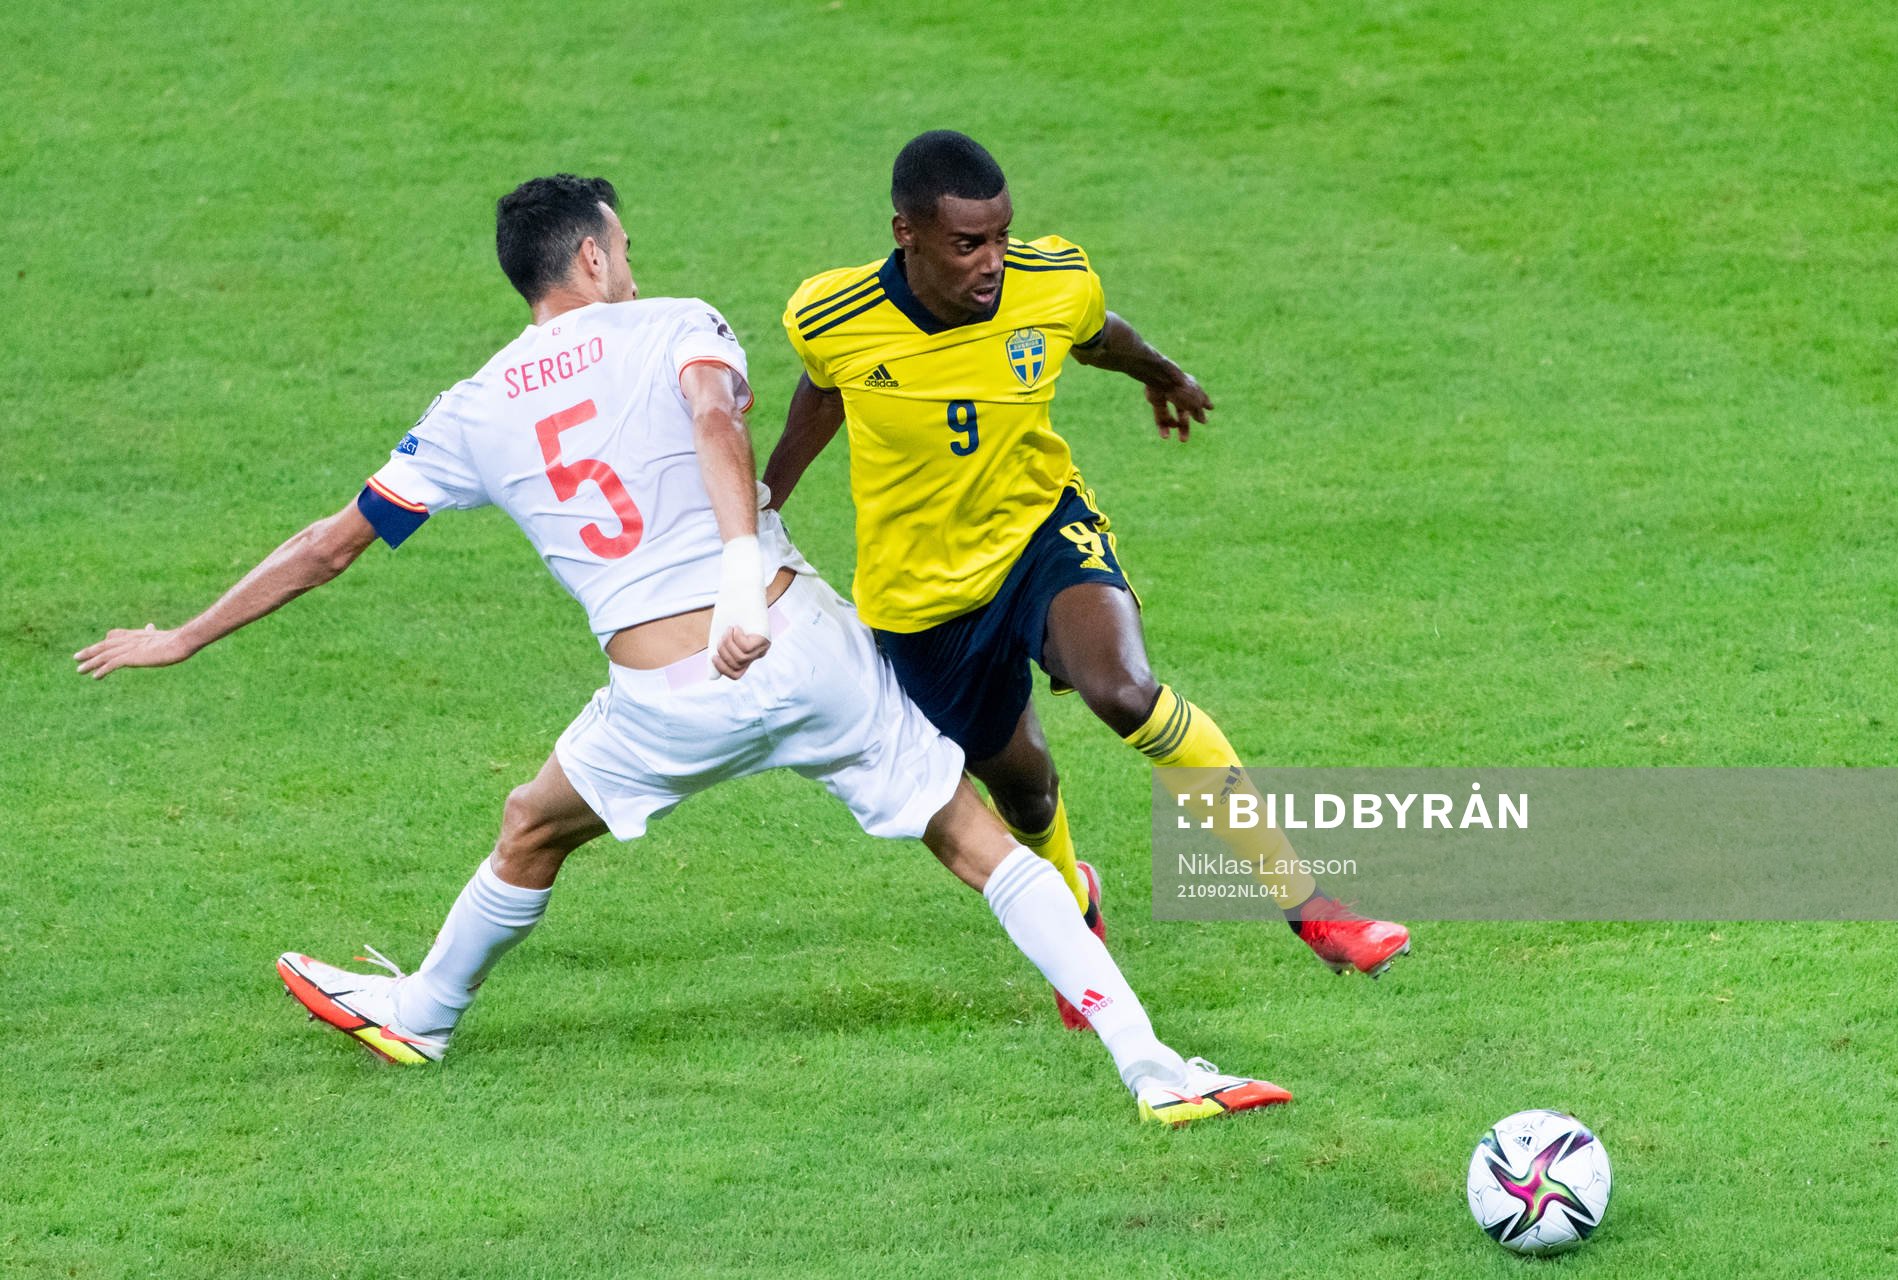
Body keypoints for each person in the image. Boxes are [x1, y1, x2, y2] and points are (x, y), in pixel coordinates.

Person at [75, 173, 1288, 1126]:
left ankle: (427, 1010)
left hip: (661, 692)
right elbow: (719, 424)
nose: (631, 261)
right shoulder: (676, 323)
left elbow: (331, 544)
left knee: (531, 825)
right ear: (595, 255)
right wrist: (736, 581)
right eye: (624, 243)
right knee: (972, 838)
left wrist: (182, 635)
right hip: (794, 639)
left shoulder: (472, 406)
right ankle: (1155, 1066)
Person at [765, 132, 1410, 1026]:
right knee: (1023, 786)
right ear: (905, 232)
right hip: (920, 597)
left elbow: (1102, 339)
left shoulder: (1051, 279)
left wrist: (1166, 375)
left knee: (1124, 692)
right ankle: (1074, 908)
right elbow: (822, 393)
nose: (992, 261)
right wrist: (757, 514)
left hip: (1040, 530)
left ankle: (1310, 908)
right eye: (967, 244)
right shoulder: (830, 314)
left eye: (1000, 236)